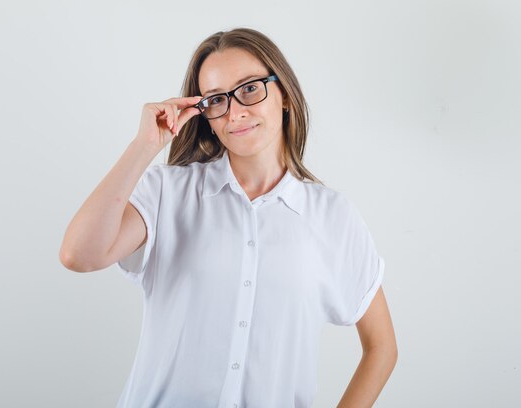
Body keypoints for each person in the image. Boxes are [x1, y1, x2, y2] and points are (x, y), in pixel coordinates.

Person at [60, 27, 397, 408]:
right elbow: (79, 254)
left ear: (283, 93)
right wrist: (144, 146)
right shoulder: (168, 193)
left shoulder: (333, 216)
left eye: (250, 88)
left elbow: (381, 347)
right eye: (217, 100)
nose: (235, 111)